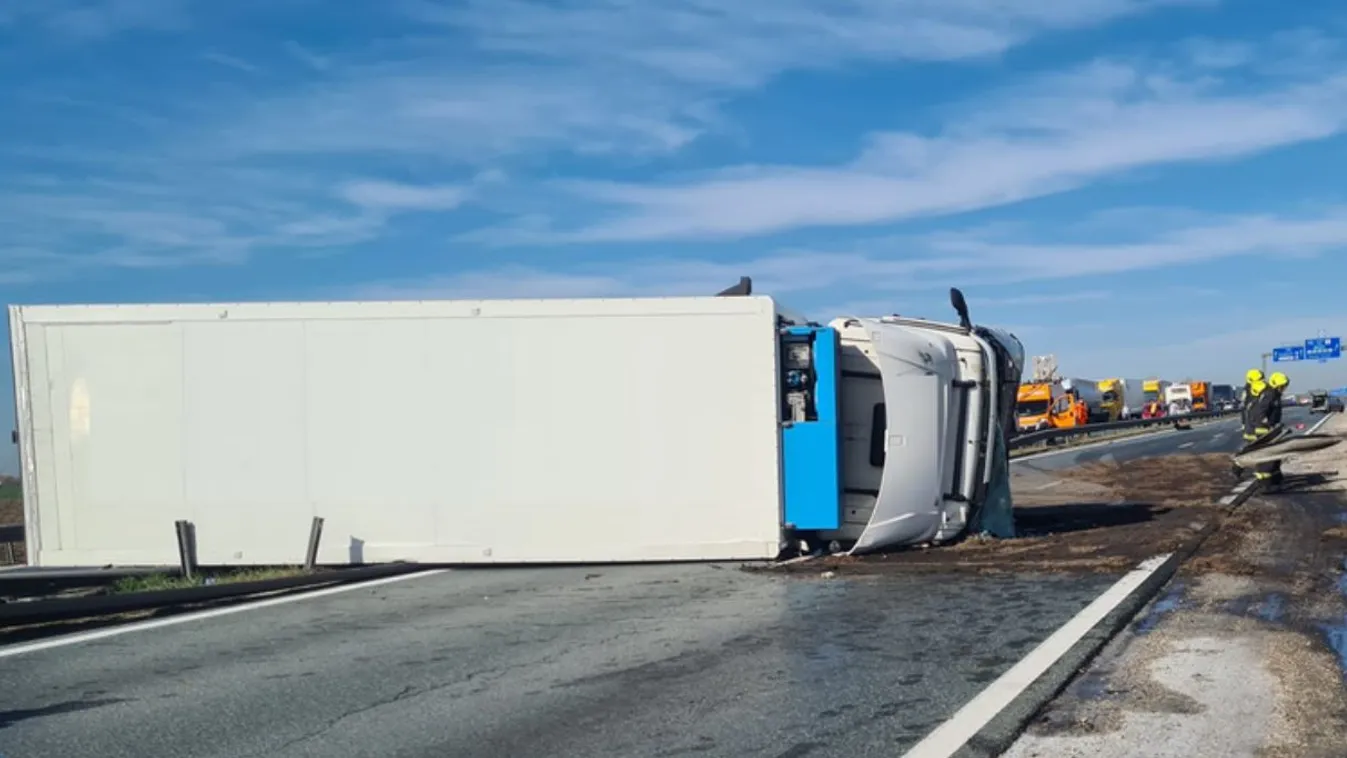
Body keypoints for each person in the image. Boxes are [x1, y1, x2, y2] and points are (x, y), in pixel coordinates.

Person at [1247, 371, 1290, 486]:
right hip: (1265, 430)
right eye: (1283, 386)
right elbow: (1260, 411)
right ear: (1277, 385)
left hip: (1271, 430)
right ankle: (1265, 482)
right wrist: (1267, 423)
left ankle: (1275, 479)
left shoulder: (1275, 394)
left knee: (1275, 455)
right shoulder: (1269, 394)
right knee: (1267, 457)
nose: (1284, 388)